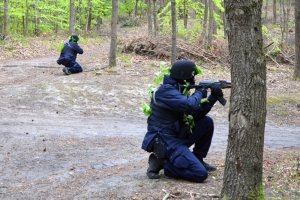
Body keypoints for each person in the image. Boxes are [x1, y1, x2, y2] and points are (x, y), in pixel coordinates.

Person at [141, 60, 224, 183]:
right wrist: (200, 92)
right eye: (192, 75)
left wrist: (213, 97)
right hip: (165, 141)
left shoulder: (177, 90)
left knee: (206, 122)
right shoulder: (165, 91)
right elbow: (190, 105)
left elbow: (196, 114)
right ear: (183, 75)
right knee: (200, 174)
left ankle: (197, 158)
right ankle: (164, 164)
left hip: (176, 135)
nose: (193, 78)